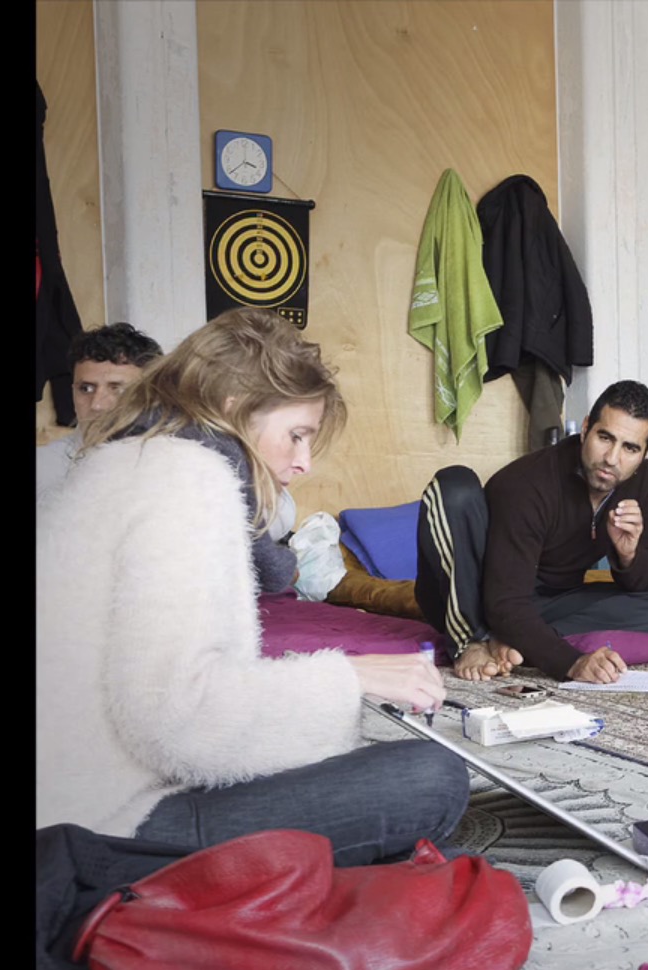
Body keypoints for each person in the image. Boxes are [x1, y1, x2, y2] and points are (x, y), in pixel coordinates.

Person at [36, 308, 463, 866]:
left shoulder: (132, 461)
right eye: (296, 435)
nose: (304, 463)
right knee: (431, 778)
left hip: (77, 795)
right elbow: (176, 719)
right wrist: (351, 676)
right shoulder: (184, 483)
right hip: (99, 825)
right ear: (235, 408)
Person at [416, 380, 648, 684]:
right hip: (479, 596)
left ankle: (515, 642)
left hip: (548, 603)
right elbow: (505, 601)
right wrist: (571, 662)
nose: (612, 458)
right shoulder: (529, 483)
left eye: (630, 448)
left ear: (645, 453)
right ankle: (473, 641)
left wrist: (628, 554)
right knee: (454, 485)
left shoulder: (642, 481)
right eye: (605, 437)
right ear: (585, 429)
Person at [36, 322, 162, 498]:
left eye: (117, 389)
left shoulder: (173, 465)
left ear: (151, 396)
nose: (97, 405)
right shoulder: (43, 466)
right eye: (86, 388)